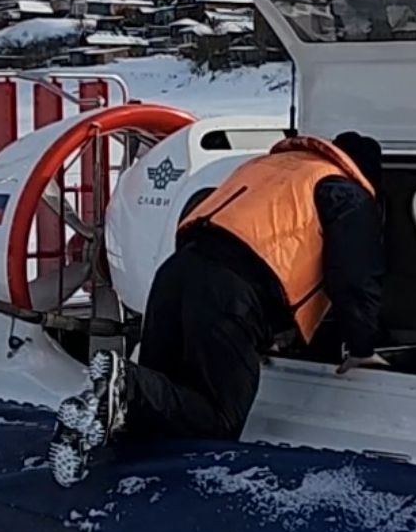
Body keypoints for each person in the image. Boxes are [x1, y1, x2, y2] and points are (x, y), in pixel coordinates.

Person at [47, 131, 387, 485]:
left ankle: (93, 427)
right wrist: (362, 345)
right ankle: (126, 384)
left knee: (164, 401)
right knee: (219, 416)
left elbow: (269, 238)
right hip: (230, 291)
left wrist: (272, 330)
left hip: (176, 273)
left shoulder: (267, 167)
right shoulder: (345, 191)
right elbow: (354, 274)